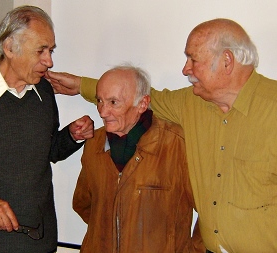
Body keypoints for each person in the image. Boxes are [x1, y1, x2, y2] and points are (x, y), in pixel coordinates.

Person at [46, 18, 277, 253]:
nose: (185, 69)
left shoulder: (272, 107)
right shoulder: (192, 103)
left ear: (226, 61)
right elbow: (140, 97)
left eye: (193, 59)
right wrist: (79, 85)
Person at [0, 5, 94, 253]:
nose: (49, 61)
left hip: (40, 242)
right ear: (9, 48)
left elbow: (47, 152)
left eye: (50, 51)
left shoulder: (44, 92)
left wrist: (71, 137)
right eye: (41, 51)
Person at [72, 64, 205, 253]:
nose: (102, 111)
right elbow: (83, 203)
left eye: (113, 102)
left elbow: (208, 212)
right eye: (100, 100)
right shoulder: (94, 143)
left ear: (142, 104)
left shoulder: (176, 144)